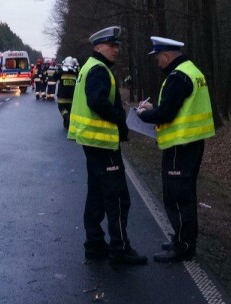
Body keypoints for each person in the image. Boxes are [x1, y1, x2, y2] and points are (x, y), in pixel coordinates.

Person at [67, 26, 147, 265]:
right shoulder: (99, 70)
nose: (116, 50)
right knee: (118, 198)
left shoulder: (89, 67)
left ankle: (94, 244)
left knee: (96, 196)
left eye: (118, 46)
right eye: (112, 45)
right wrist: (120, 115)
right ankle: (120, 249)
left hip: (93, 142)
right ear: (98, 47)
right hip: (102, 144)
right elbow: (97, 101)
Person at [136, 36, 215, 263]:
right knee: (185, 195)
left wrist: (143, 114)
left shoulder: (177, 77)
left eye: (158, 58)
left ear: (167, 55)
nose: (157, 62)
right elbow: (177, 107)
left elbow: (166, 114)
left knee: (178, 198)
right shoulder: (191, 71)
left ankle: (183, 248)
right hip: (191, 144)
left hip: (180, 146)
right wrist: (156, 107)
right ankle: (183, 240)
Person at [54, 56, 78, 128]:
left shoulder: (61, 71)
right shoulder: (75, 72)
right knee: (70, 109)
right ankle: (68, 122)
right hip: (72, 97)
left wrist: (59, 69)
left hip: (62, 96)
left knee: (62, 108)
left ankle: (66, 117)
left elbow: (54, 77)